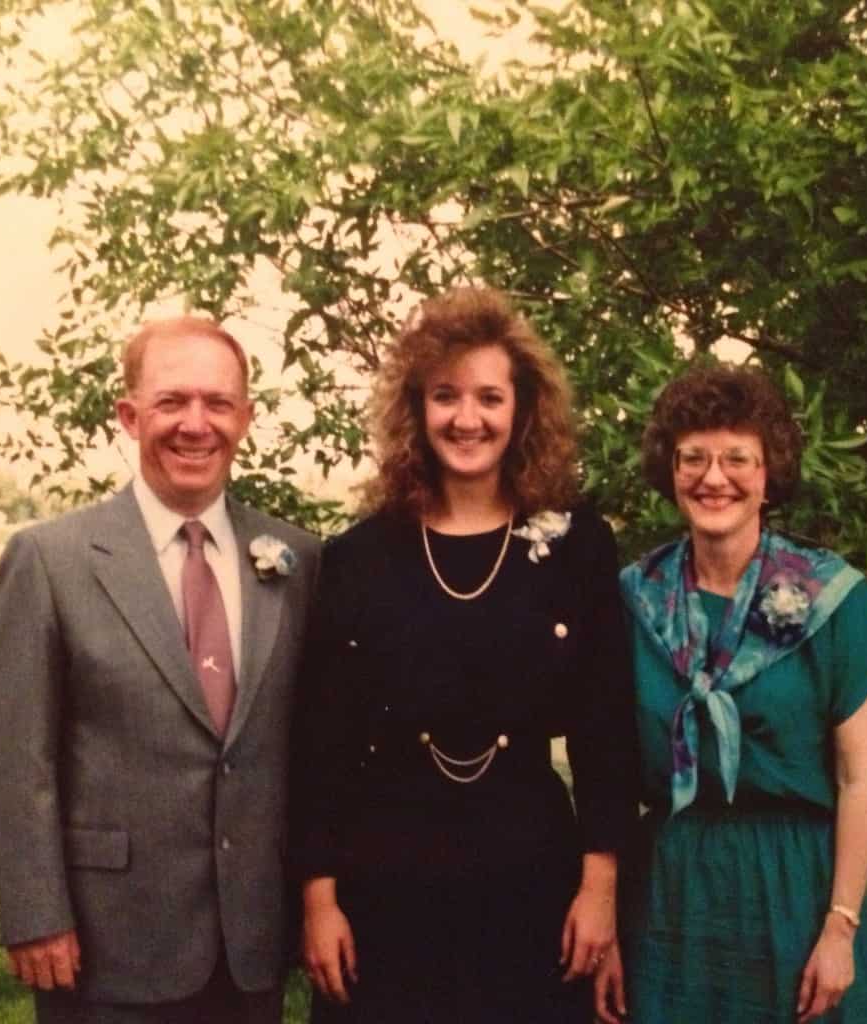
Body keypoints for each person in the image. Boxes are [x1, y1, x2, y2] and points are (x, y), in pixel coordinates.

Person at [291, 286, 639, 1024]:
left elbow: (606, 733)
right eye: (445, 396)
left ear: (523, 409)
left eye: (489, 397)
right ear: (416, 409)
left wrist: (599, 889)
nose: (468, 419)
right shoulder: (359, 556)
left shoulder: (577, 546)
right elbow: (321, 742)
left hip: (530, 878)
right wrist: (319, 899)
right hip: (385, 878)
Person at [0, 316, 321, 1023]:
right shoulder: (52, 561)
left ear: (245, 419)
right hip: (108, 942)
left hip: (252, 941)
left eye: (218, 403)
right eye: (172, 402)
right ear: (130, 416)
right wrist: (36, 912)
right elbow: (18, 762)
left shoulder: (296, 560)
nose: (196, 425)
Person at [617, 363, 867, 1023]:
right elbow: (605, 766)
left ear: (768, 471)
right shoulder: (634, 599)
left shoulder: (834, 599)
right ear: (670, 469)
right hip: (667, 895)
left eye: (737, 459)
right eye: (693, 458)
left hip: (794, 891)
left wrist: (840, 926)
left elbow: (859, 779)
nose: (713, 478)